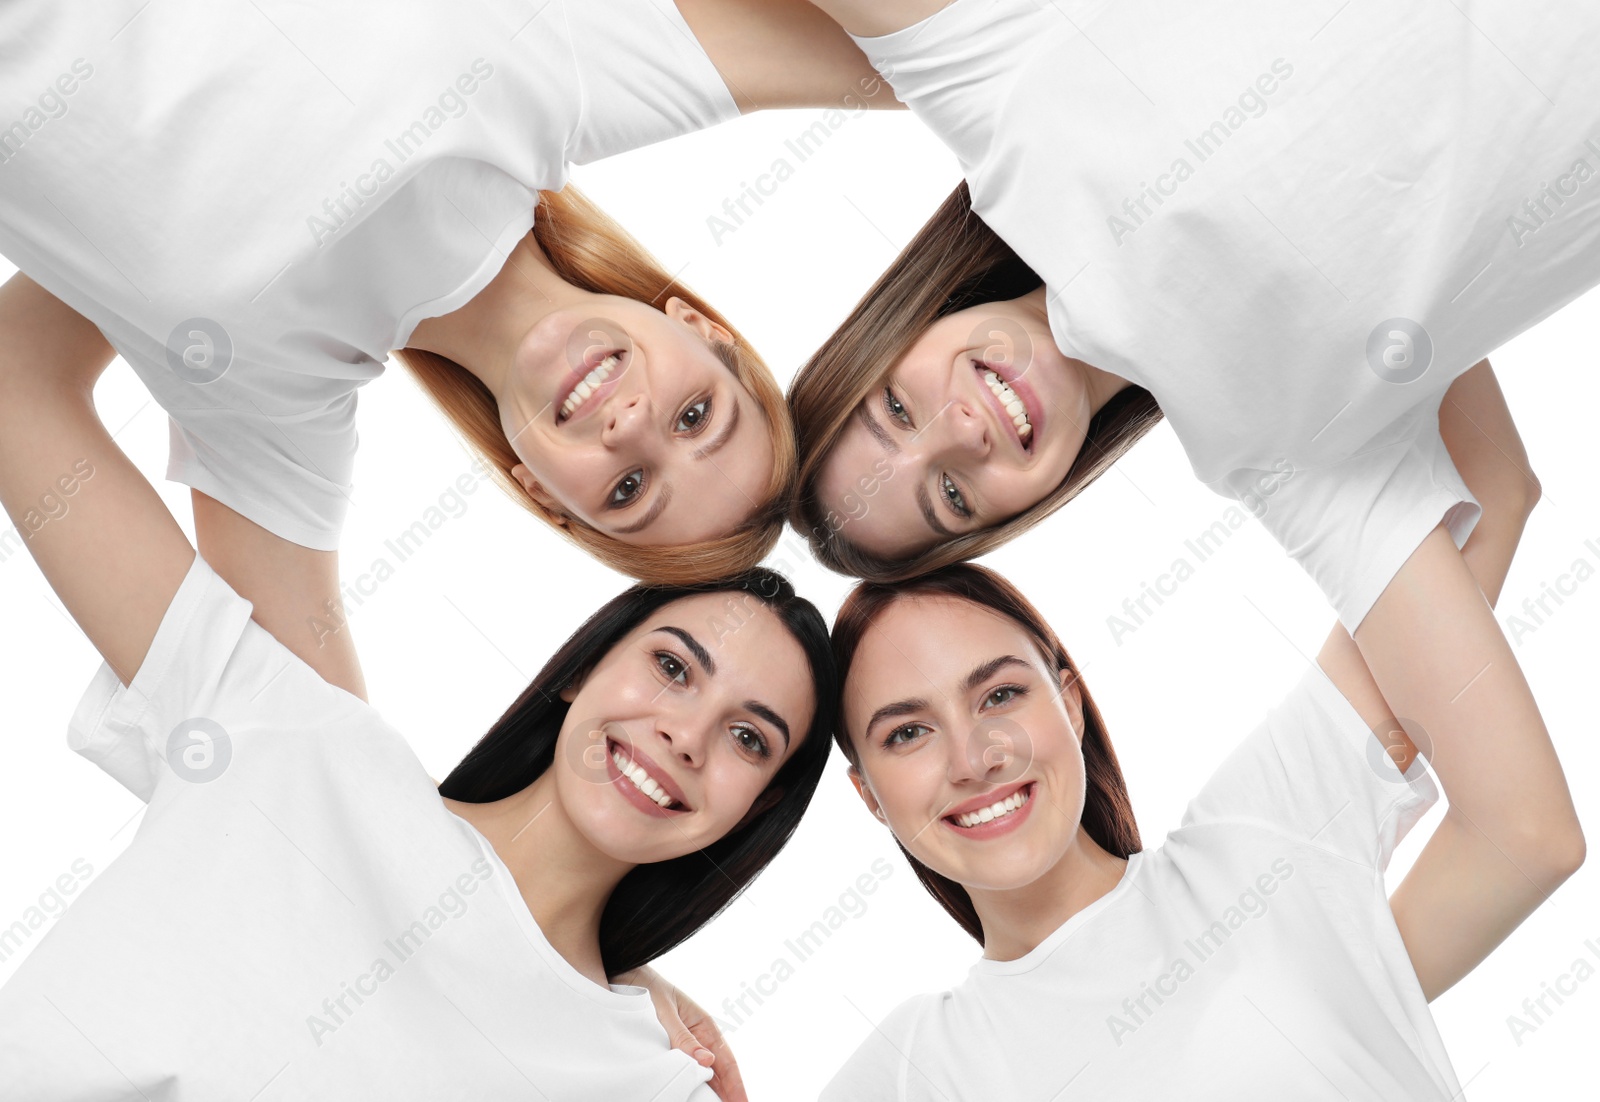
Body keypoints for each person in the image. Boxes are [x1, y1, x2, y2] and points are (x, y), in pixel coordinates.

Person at [0, 273, 837, 1101]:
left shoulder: (646, 1075)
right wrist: (222, 230)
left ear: (759, 806)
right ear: (586, 664)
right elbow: (16, 372)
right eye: (672, 667)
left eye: (749, 738)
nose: (686, 735)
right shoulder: (298, 744)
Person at [0, 0, 898, 701]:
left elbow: (304, 752)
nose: (632, 426)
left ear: (540, 492)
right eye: (697, 415)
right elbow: (965, 52)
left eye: (628, 490)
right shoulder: (564, 67)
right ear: (698, 327)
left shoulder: (275, 399)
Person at [819, 368, 1584, 1099]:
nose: (974, 757)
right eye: (909, 733)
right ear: (870, 797)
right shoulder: (917, 1067)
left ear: (1070, 702)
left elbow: (1490, 492)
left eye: (1001, 694)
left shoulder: (1258, 843)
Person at [791, 0, 1600, 626]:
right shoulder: (1269, 443)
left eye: (896, 409)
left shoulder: (995, 93)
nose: (963, 434)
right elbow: (1499, 498)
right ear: (1025, 509)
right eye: (954, 497)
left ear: (894, 333)